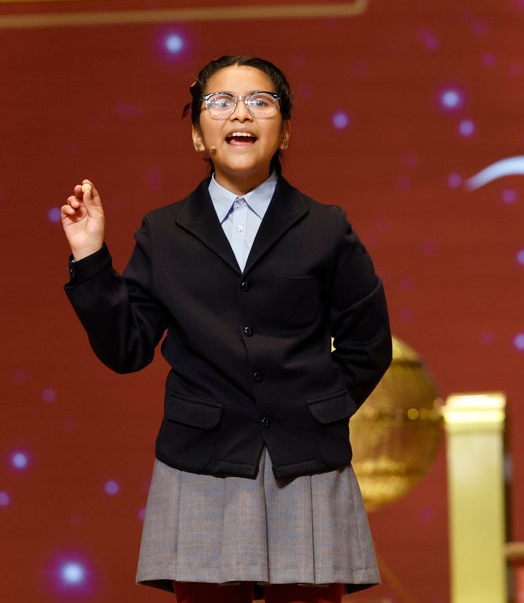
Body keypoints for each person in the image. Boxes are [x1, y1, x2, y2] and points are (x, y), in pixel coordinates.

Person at [61, 56, 393, 603]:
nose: (241, 112)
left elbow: (368, 345)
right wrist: (91, 257)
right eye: (221, 102)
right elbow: (127, 348)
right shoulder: (163, 232)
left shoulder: (326, 226)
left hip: (304, 460)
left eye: (261, 102)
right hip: (202, 462)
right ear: (197, 134)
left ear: (285, 130)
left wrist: (319, 409)